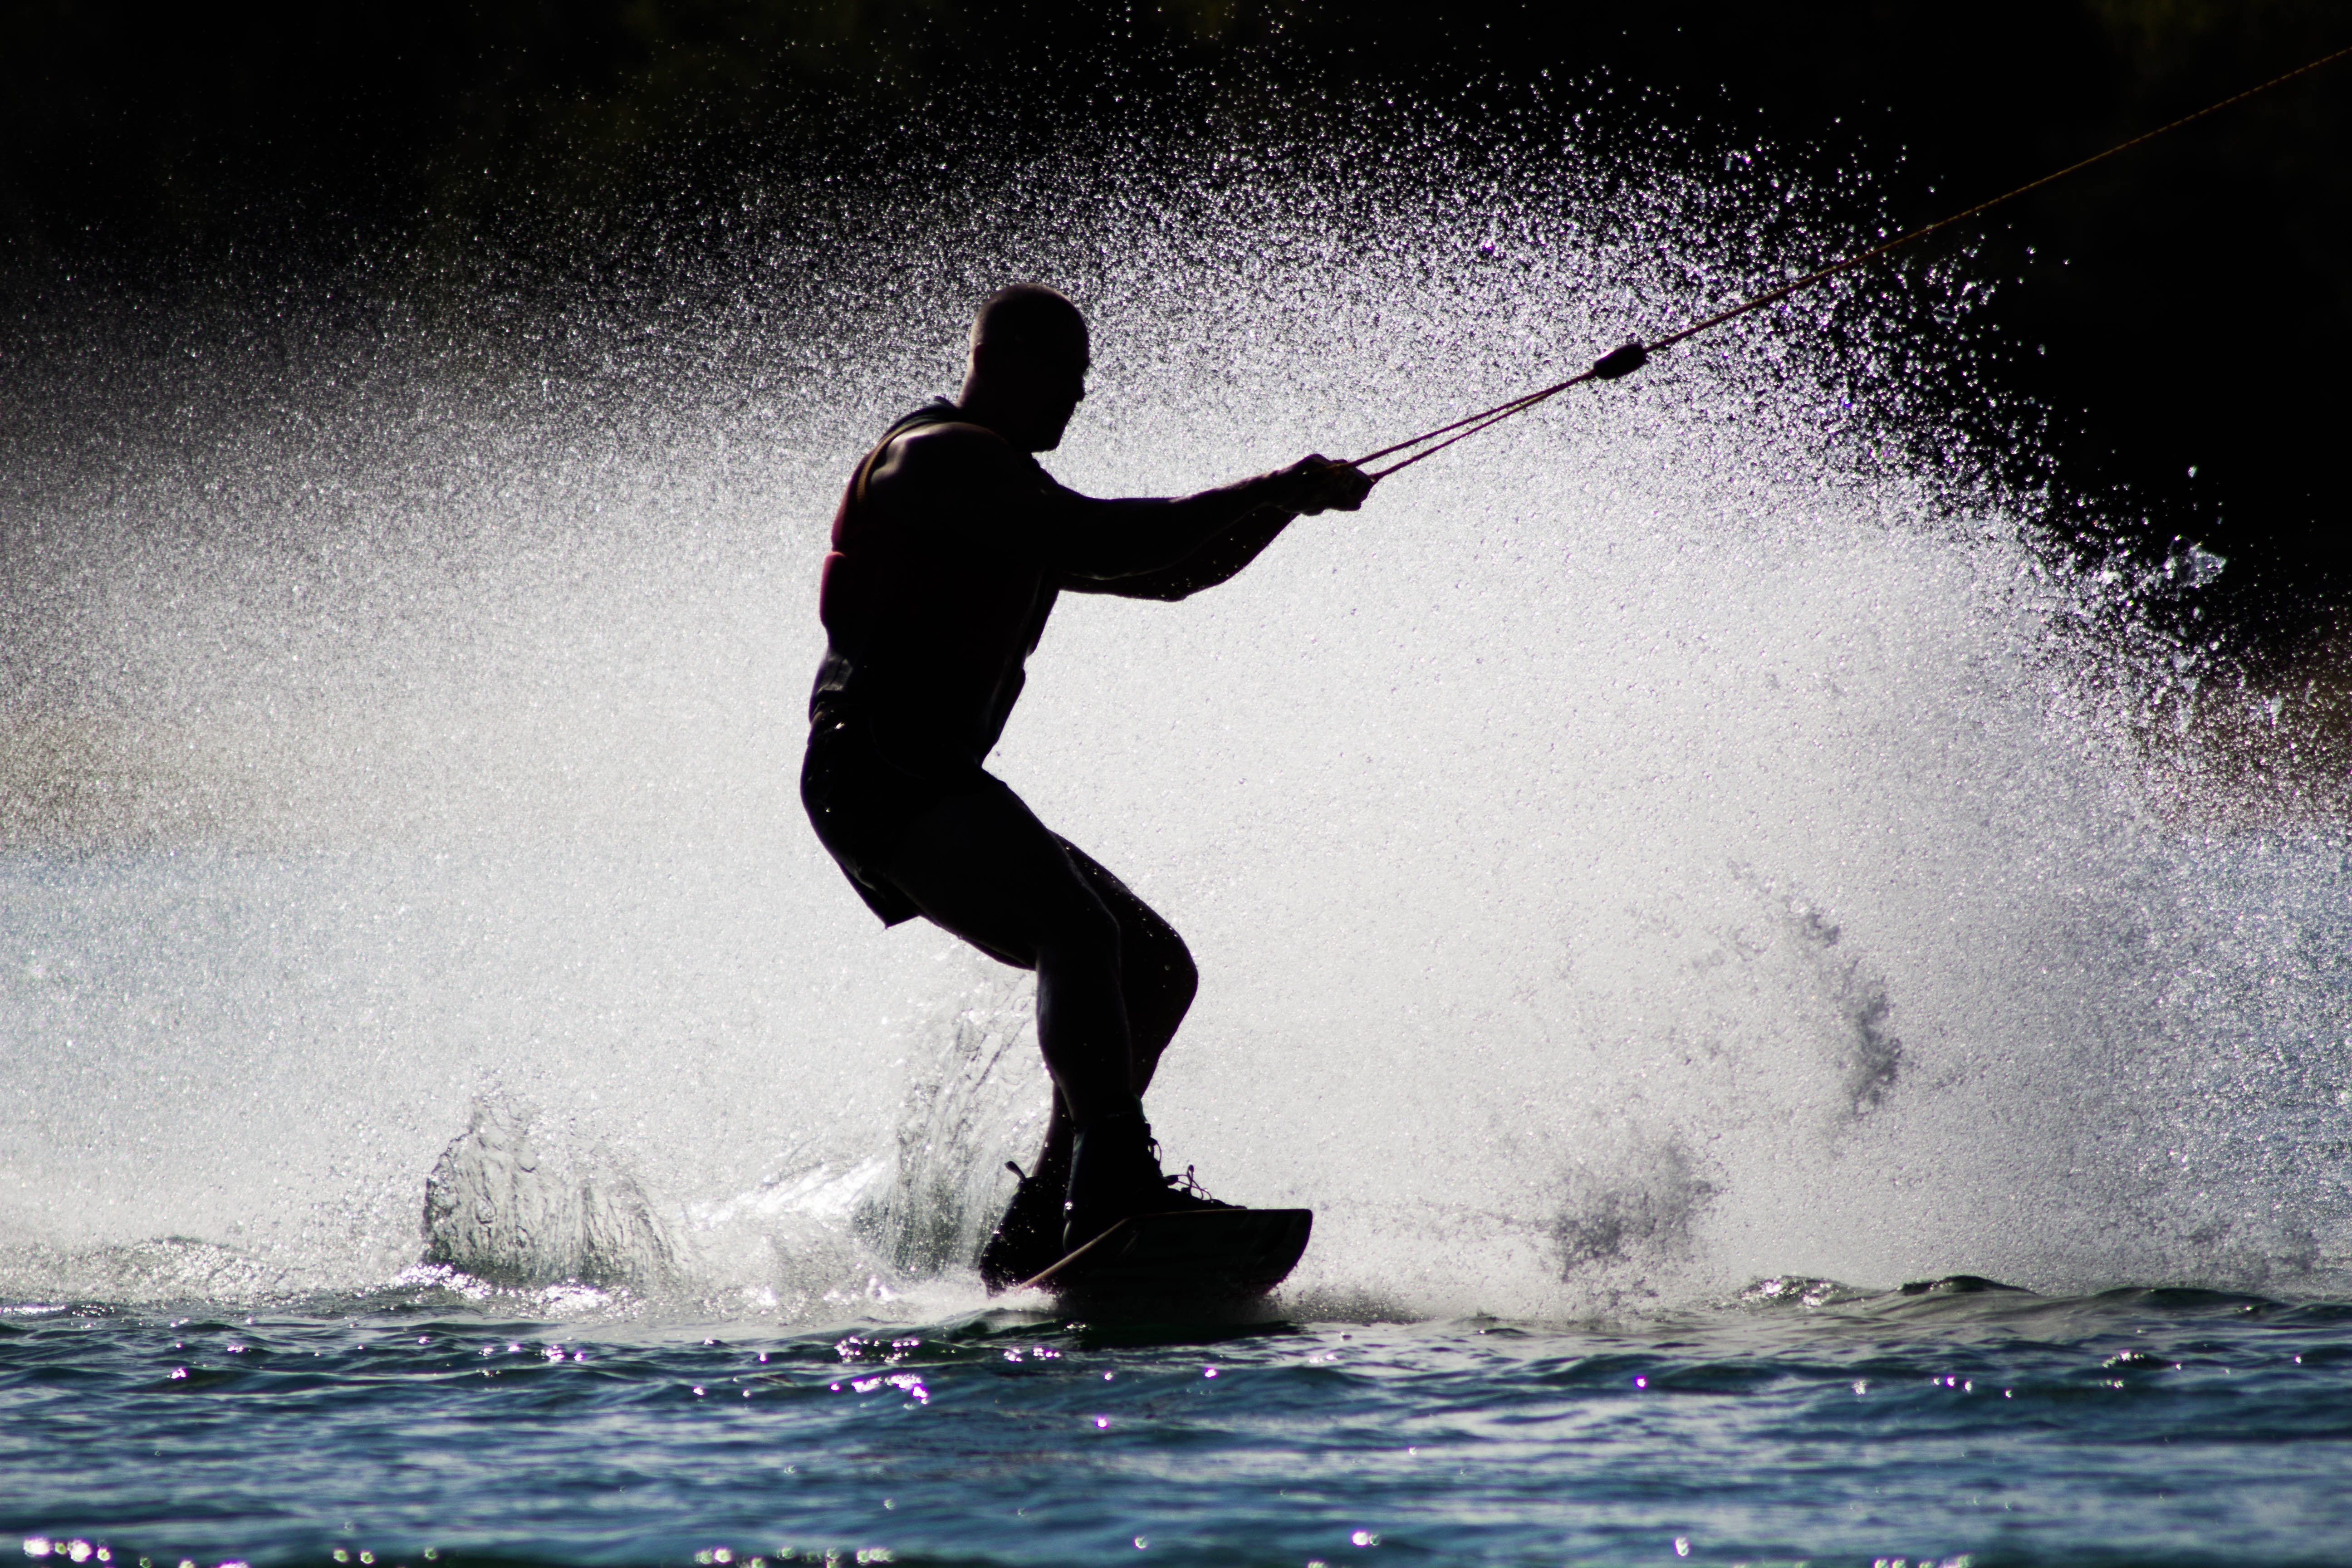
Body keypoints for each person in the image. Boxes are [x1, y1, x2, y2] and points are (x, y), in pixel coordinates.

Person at [801, 283, 1372, 1290]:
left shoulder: (1009, 495)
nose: (1079, 399)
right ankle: (1111, 1180)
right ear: (1006, 360)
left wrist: (1286, 507)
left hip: (928, 774)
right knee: (1082, 932)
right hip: (878, 766)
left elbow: (1172, 575)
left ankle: (1042, 1227)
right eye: (1067, 378)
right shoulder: (938, 461)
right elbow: (1117, 539)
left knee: (1151, 967)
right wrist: (1276, 482)